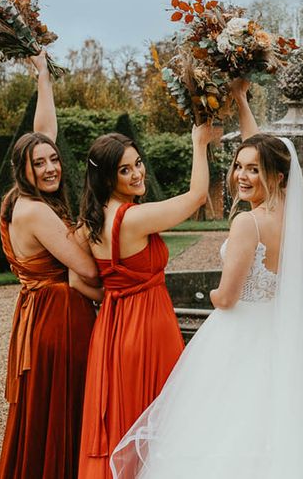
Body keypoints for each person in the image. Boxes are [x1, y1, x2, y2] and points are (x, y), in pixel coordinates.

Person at [109, 81, 303, 479]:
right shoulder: (288, 215)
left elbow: (227, 298)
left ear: (273, 174)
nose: (241, 174)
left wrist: (215, 292)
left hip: (239, 334)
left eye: (253, 169)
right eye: (239, 166)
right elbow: (265, 147)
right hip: (282, 329)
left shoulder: (247, 223)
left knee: (223, 432)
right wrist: (240, 100)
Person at [76, 123, 212, 479]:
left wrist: (116, 298)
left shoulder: (90, 221)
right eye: (125, 169)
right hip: (149, 329)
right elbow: (197, 196)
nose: (137, 173)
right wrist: (199, 142)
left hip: (113, 329)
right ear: (107, 178)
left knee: (124, 417)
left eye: (137, 163)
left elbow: (78, 279)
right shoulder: (132, 218)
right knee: (161, 416)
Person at [0, 51, 102, 479]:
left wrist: (43, 76)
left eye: (52, 159)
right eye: (38, 163)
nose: (50, 167)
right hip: (59, 318)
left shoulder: (19, 199)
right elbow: (87, 269)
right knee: (65, 408)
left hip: (40, 315)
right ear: (24, 170)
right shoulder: (36, 212)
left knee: (49, 410)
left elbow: (44, 133)